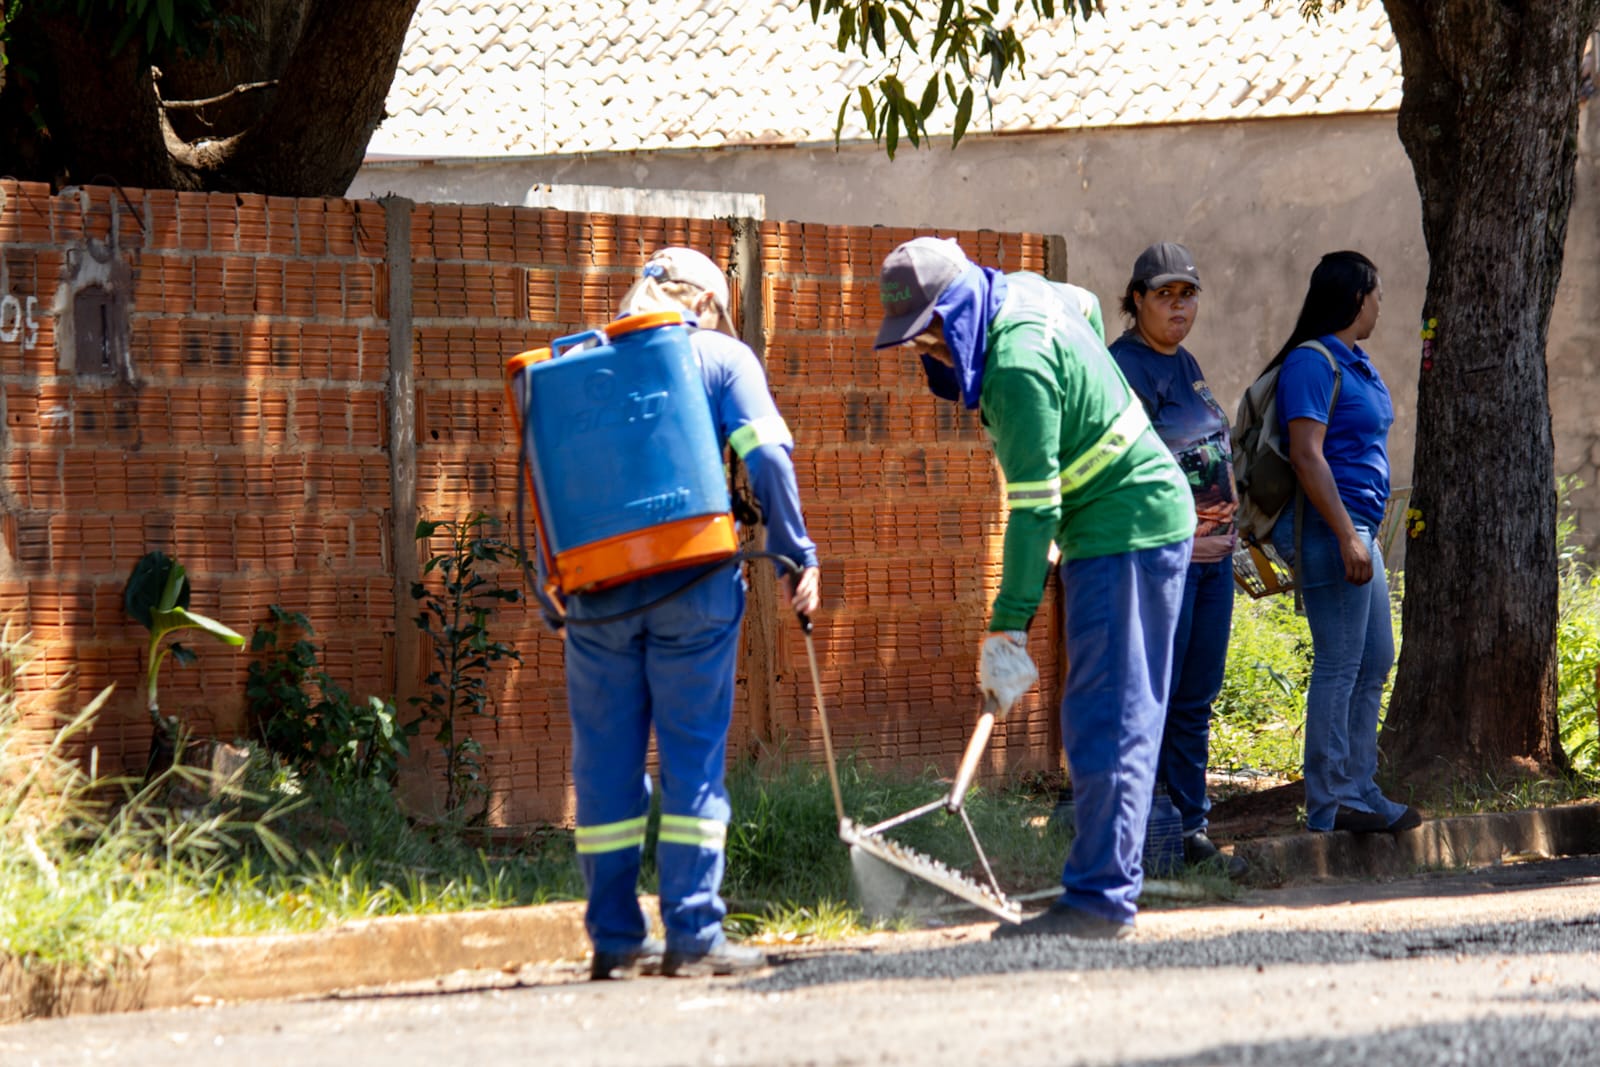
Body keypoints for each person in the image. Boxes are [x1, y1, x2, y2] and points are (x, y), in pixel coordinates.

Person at [873, 236, 1195, 940]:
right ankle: (1100, 887)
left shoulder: (1016, 368)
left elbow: (1033, 508)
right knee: (1100, 710)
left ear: (955, 313)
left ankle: (1101, 900)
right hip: (1121, 522)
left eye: (926, 336)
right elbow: (1079, 305)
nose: (922, 353)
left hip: (1127, 529)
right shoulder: (1023, 292)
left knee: (1107, 717)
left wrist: (1008, 624)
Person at [559, 246, 821, 979]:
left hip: (595, 594)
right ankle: (693, 934)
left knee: (605, 767)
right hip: (693, 587)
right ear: (706, 301)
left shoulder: (581, 364)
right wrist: (796, 551)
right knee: (692, 762)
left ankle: (614, 938)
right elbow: (766, 459)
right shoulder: (720, 356)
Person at [1269, 250, 1420, 835]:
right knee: (1339, 662)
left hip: (1359, 528)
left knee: (1375, 658)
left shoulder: (1358, 363)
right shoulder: (1312, 362)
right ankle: (1330, 804)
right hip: (1331, 529)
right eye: (1377, 294)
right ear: (1357, 297)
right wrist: (1346, 538)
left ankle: (1360, 789)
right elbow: (1307, 455)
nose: (1381, 305)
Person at [1107, 242, 1244, 877]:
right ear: (1136, 300)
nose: (1179, 306)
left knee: (1195, 697)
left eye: (1188, 293)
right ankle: (1151, 828)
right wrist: (1186, 540)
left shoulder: (1185, 361)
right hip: (1166, 565)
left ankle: (1191, 826)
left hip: (1213, 566)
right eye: (1165, 294)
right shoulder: (1124, 367)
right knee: (1154, 697)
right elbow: (1122, 470)